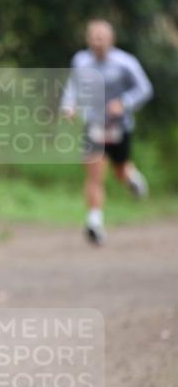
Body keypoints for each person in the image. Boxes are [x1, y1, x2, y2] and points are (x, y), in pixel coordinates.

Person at [60, 19, 153, 245]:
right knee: (94, 173)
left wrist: (124, 102)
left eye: (101, 37)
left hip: (119, 126)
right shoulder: (81, 61)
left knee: (119, 170)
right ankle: (94, 222)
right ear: (87, 39)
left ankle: (130, 177)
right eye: (93, 37)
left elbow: (145, 88)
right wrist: (69, 105)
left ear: (111, 39)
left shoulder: (125, 62)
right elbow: (73, 86)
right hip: (94, 124)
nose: (97, 41)